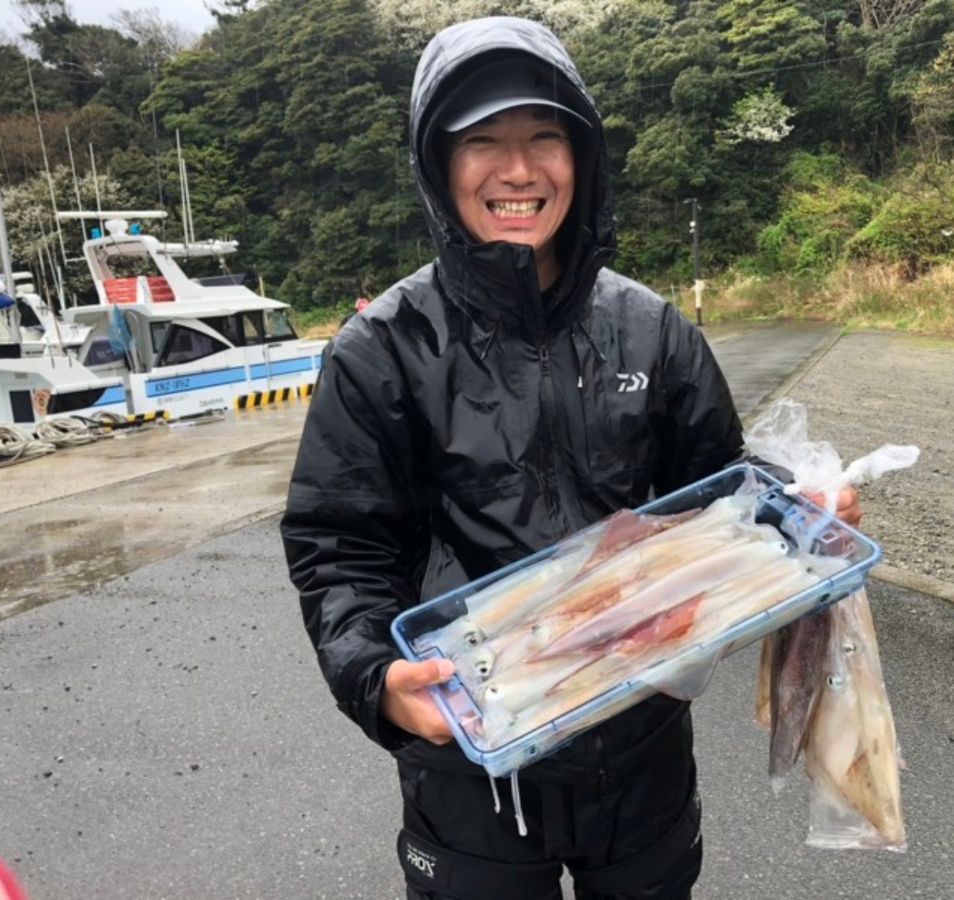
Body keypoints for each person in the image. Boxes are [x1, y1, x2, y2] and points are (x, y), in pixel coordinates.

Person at [281, 16, 860, 900]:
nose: (518, 171)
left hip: (641, 734)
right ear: (438, 166)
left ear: (581, 156)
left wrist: (799, 509)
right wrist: (374, 679)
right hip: (473, 746)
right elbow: (339, 546)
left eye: (544, 137)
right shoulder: (382, 349)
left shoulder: (652, 328)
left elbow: (721, 492)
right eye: (484, 142)